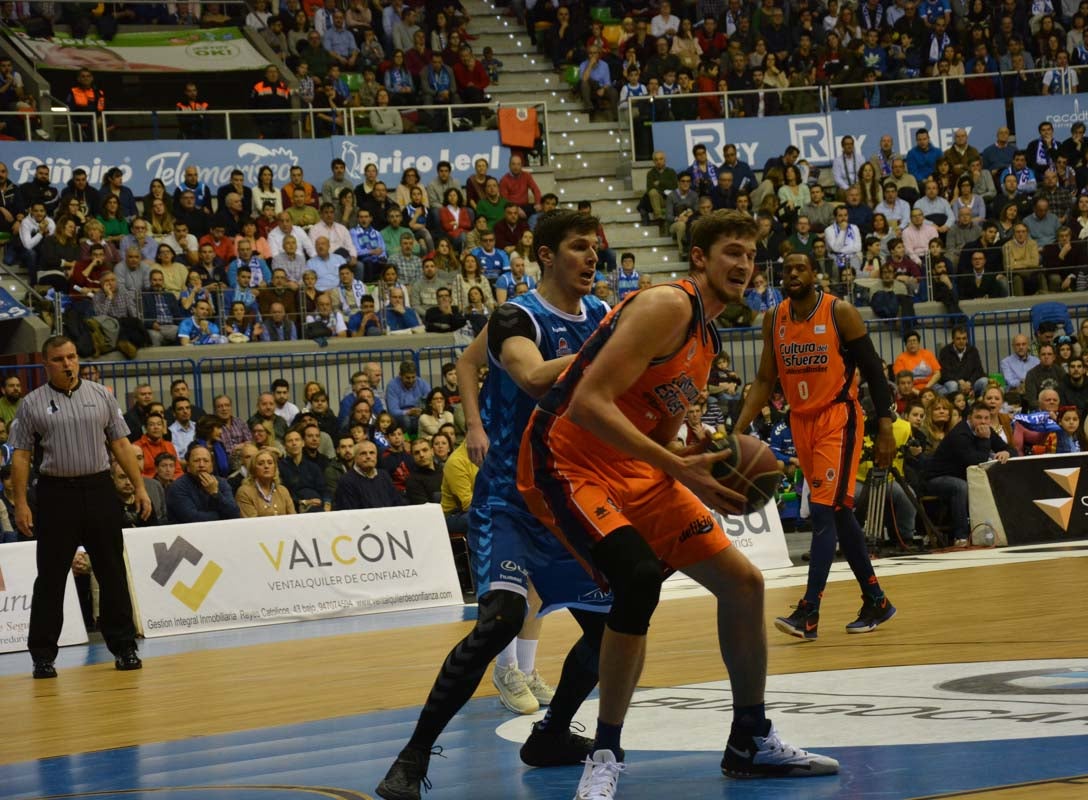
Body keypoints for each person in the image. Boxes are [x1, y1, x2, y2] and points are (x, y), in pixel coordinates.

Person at [517, 210, 837, 800]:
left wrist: (703, 462)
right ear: (699, 258)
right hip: (567, 459)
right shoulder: (668, 305)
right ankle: (605, 754)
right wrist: (675, 467)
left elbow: (663, 439)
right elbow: (586, 403)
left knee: (744, 584)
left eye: (749, 256)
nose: (743, 265)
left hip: (634, 466)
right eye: (732, 253)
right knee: (638, 580)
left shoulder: (708, 338)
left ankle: (749, 738)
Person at [376, 209, 614, 799]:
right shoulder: (516, 315)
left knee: (613, 629)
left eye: (596, 248)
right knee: (501, 619)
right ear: (547, 254)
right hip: (507, 497)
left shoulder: (605, 316)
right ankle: (411, 757)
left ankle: (554, 732)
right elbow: (531, 377)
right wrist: (475, 424)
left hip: (567, 499)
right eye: (579, 247)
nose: (592, 257)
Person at [735, 251, 898, 639]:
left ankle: (809, 611)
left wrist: (886, 425)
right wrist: (738, 429)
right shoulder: (774, 319)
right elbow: (763, 380)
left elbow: (874, 369)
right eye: (787, 268)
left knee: (823, 514)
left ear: (814, 274)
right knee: (840, 514)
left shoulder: (840, 313)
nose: (792, 273)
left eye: (800, 268)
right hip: (800, 421)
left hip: (838, 418)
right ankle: (876, 600)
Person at [11, 336, 150, 679]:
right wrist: (21, 503)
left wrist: (141, 486)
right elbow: (21, 455)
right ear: (46, 364)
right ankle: (43, 656)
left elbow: (120, 443)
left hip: (99, 489)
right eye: (59, 359)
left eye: (72, 356)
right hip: (57, 494)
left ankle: (125, 647)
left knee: (112, 572)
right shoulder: (31, 404)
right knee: (51, 578)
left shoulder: (102, 395)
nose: (68, 363)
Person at [923, 401, 1016, 546]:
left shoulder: (986, 430)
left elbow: (1011, 449)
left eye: (986, 418)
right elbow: (975, 461)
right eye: (979, 417)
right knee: (960, 487)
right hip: (937, 478)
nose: (983, 422)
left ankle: (1007, 529)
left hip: (961, 476)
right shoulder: (960, 434)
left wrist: (1006, 452)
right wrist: (984, 440)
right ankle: (961, 537)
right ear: (969, 418)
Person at [166, 444, 240, 524]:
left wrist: (215, 493)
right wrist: (223, 516)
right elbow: (193, 518)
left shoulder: (222, 483)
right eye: (196, 461)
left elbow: (234, 513)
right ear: (188, 467)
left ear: (212, 466)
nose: (201, 465)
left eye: (206, 461)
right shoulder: (177, 487)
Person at [235, 448, 296, 517]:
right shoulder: (244, 492)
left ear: (275, 468)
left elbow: (293, 518)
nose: (266, 466)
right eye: (261, 464)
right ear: (253, 469)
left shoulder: (283, 491)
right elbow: (252, 523)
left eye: (270, 463)